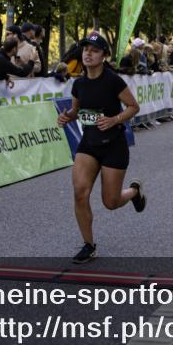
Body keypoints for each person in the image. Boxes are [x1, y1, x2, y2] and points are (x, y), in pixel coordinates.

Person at [57, 32, 146, 264]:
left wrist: (114, 120)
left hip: (114, 146)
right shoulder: (79, 84)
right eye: (86, 49)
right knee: (80, 192)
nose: (88, 54)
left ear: (104, 56)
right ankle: (89, 245)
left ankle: (134, 192)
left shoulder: (112, 80)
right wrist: (67, 116)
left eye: (94, 51)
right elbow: (77, 110)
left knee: (111, 202)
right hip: (88, 144)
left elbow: (133, 107)